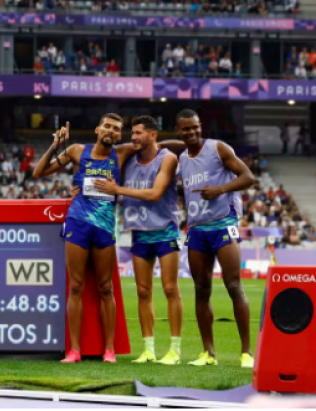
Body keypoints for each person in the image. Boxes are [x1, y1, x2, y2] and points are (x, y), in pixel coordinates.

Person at [33, 114, 183, 364]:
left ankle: (109, 350)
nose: (111, 131)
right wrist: (55, 144)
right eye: (107, 126)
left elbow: (158, 146)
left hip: (104, 226)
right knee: (76, 286)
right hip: (78, 223)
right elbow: (39, 172)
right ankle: (75, 351)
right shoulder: (77, 151)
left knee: (106, 288)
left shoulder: (123, 152)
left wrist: (188, 142)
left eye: (116, 129)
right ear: (97, 128)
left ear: (119, 135)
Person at [89, 116, 184, 365]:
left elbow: (154, 194)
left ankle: (174, 350)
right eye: (132, 133)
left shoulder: (168, 158)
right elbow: (102, 178)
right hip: (139, 232)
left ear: (153, 135)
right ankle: (148, 350)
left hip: (165, 230)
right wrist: (82, 188)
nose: (133, 137)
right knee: (143, 292)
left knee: (171, 289)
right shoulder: (128, 160)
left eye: (139, 133)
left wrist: (118, 190)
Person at [176, 109, 256, 368]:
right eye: (186, 129)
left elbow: (248, 177)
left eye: (195, 127)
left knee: (234, 285)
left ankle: (246, 353)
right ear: (179, 132)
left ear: (201, 127)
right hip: (197, 229)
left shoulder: (218, 148)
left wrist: (219, 189)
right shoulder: (182, 158)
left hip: (223, 223)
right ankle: (208, 354)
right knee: (201, 289)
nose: (192, 132)